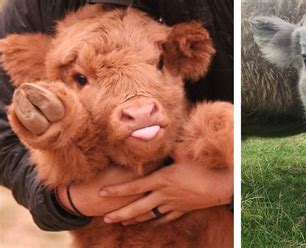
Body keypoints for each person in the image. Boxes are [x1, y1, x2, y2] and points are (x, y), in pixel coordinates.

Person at [0, 0, 233, 231]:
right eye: (81, 79)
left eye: (158, 63)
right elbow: (4, 141)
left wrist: (232, 186)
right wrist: (65, 200)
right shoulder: (30, 9)